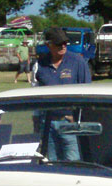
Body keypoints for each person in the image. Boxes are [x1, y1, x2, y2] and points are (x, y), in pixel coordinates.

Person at [33, 27, 91, 161]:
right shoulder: (39, 65)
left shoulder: (77, 61)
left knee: (73, 163)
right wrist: (36, 121)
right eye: (59, 43)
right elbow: (35, 96)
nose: (63, 46)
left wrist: (75, 118)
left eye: (65, 42)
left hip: (70, 124)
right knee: (51, 164)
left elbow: (87, 92)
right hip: (47, 123)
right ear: (48, 45)